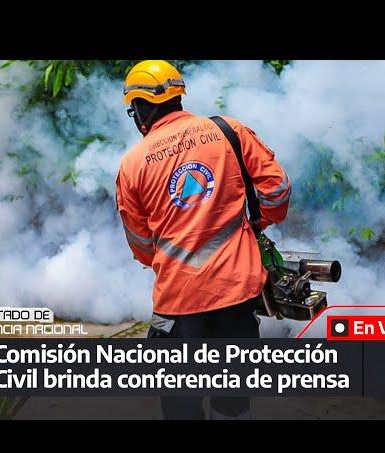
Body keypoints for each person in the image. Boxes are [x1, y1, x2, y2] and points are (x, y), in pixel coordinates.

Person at [115, 60, 291, 420]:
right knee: (233, 401)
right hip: (237, 293)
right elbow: (277, 190)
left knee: (181, 403)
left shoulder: (132, 165)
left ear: (141, 108)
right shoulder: (228, 131)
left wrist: (171, 258)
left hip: (179, 301)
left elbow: (141, 245)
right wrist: (258, 222)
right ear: (178, 97)